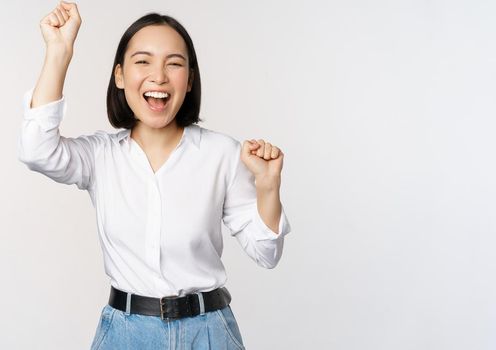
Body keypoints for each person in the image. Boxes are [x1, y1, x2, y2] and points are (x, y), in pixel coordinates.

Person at [18, 2, 292, 349]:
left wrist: (268, 185)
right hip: (125, 334)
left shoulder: (223, 153)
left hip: (208, 333)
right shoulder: (101, 156)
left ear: (189, 79)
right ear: (120, 75)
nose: (159, 76)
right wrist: (59, 52)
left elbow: (266, 254)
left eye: (174, 63)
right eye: (143, 61)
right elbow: (36, 150)